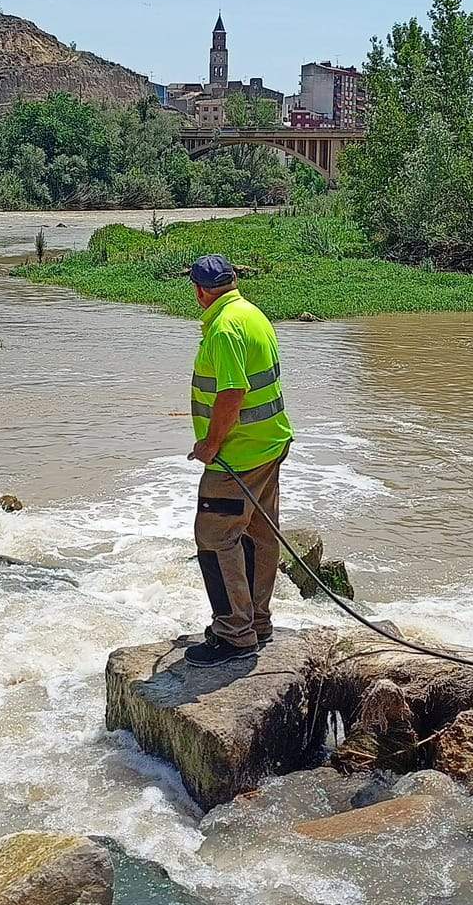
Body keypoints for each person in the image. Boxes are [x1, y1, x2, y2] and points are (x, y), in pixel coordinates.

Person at [183, 254, 293, 667]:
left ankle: (234, 633)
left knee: (215, 538)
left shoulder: (224, 328)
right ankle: (257, 622)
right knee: (258, 535)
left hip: (237, 456)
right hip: (268, 445)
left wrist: (211, 444)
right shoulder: (252, 314)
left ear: (200, 291)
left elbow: (233, 393)